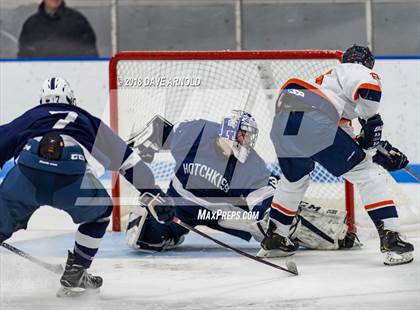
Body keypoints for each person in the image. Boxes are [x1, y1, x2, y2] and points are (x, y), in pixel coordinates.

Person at [0, 77, 174, 297]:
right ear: (72, 100)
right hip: (70, 177)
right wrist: (153, 192)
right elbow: (126, 160)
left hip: (26, 174)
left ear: (42, 102)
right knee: (101, 212)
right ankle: (76, 271)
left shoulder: (31, 117)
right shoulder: (85, 119)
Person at [258, 45, 414, 266]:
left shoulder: (328, 83)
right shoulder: (356, 69)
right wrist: (371, 120)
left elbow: (343, 139)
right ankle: (392, 239)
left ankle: (276, 238)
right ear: (366, 62)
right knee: (368, 174)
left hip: (284, 121)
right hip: (315, 118)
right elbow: (369, 89)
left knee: (294, 180)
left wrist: (372, 148)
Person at [125, 111, 357, 253]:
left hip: (222, 215)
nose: (247, 141)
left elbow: (262, 199)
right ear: (229, 130)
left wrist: (272, 217)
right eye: (243, 134)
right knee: (142, 238)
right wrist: (129, 152)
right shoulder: (195, 132)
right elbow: (160, 132)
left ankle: (332, 233)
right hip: (180, 206)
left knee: (274, 223)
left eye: (249, 137)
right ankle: (167, 230)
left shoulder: (251, 166)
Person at [18, 0, 98, 58]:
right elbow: (24, 57)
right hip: (39, 77)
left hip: (73, 77)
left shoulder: (78, 21)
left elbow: (90, 54)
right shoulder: (31, 24)